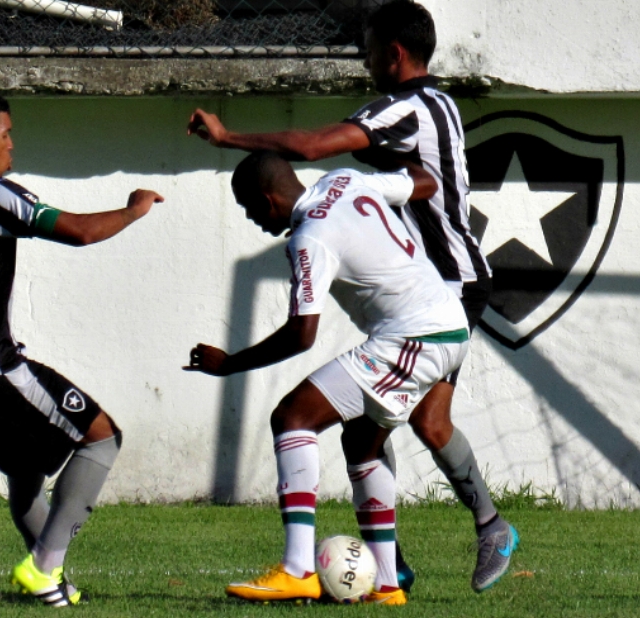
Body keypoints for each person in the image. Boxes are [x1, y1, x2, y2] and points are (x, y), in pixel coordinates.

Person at [186, 0, 517, 593]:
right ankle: (390, 573)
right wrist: (379, 192)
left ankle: (486, 527)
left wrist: (228, 135)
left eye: (368, 51)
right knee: (365, 434)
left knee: (422, 421)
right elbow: (423, 180)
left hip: (449, 282)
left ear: (394, 53)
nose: (364, 62)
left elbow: (313, 146)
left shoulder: (402, 109)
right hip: (437, 286)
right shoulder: (437, 105)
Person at [186, 152, 500, 606]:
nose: (252, 219)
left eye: (249, 208)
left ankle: (297, 569)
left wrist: (230, 364)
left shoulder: (309, 238)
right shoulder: (347, 180)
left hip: (415, 336)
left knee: (292, 418)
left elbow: (301, 335)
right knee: (361, 444)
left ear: (268, 199)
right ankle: (387, 586)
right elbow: (424, 182)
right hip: (447, 324)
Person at [0, 87, 165, 607]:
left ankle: (51, 589)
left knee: (25, 469)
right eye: (7, 134)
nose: (12, 145)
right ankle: (44, 568)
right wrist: (133, 210)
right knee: (101, 437)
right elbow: (80, 232)